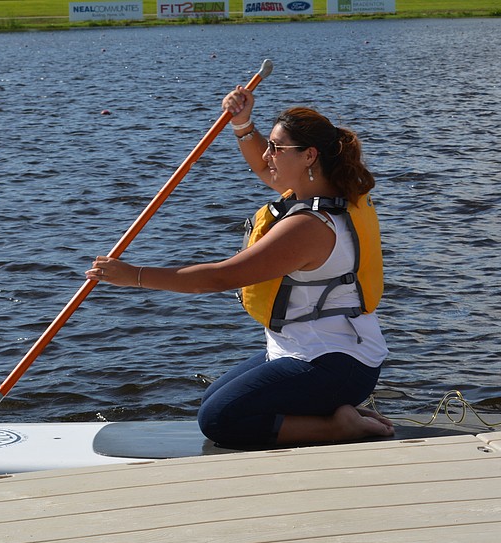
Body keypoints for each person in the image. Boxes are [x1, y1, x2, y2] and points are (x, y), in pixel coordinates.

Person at [86, 85, 393, 448]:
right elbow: (263, 167)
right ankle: (333, 410)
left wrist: (134, 276)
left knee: (219, 419)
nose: (267, 155)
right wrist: (243, 124)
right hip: (313, 349)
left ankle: (340, 427)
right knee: (214, 398)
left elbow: (220, 277)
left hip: (336, 363)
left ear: (309, 156)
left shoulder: (310, 226)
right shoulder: (331, 190)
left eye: (276, 148)